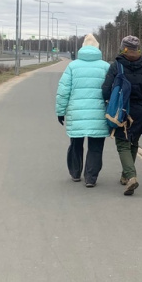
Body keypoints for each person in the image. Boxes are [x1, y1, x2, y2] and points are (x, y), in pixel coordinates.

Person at [102, 35, 142, 196]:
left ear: (123, 48)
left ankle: (131, 176)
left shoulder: (116, 66)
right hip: (141, 111)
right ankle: (124, 176)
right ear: (138, 49)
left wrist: (109, 101)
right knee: (133, 142)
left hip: (122, 111)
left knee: (122, 143)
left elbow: (106, 90)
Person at [55, 34, 110, 187]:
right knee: (96, 146)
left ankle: (75, 173)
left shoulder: (73, 66)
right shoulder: (105, 67)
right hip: (98, 113)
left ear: (82, 48)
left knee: (75, 143)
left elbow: (63, 91)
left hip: (76, 112)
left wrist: (60, 111)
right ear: (97, 48)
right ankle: (91, 178)